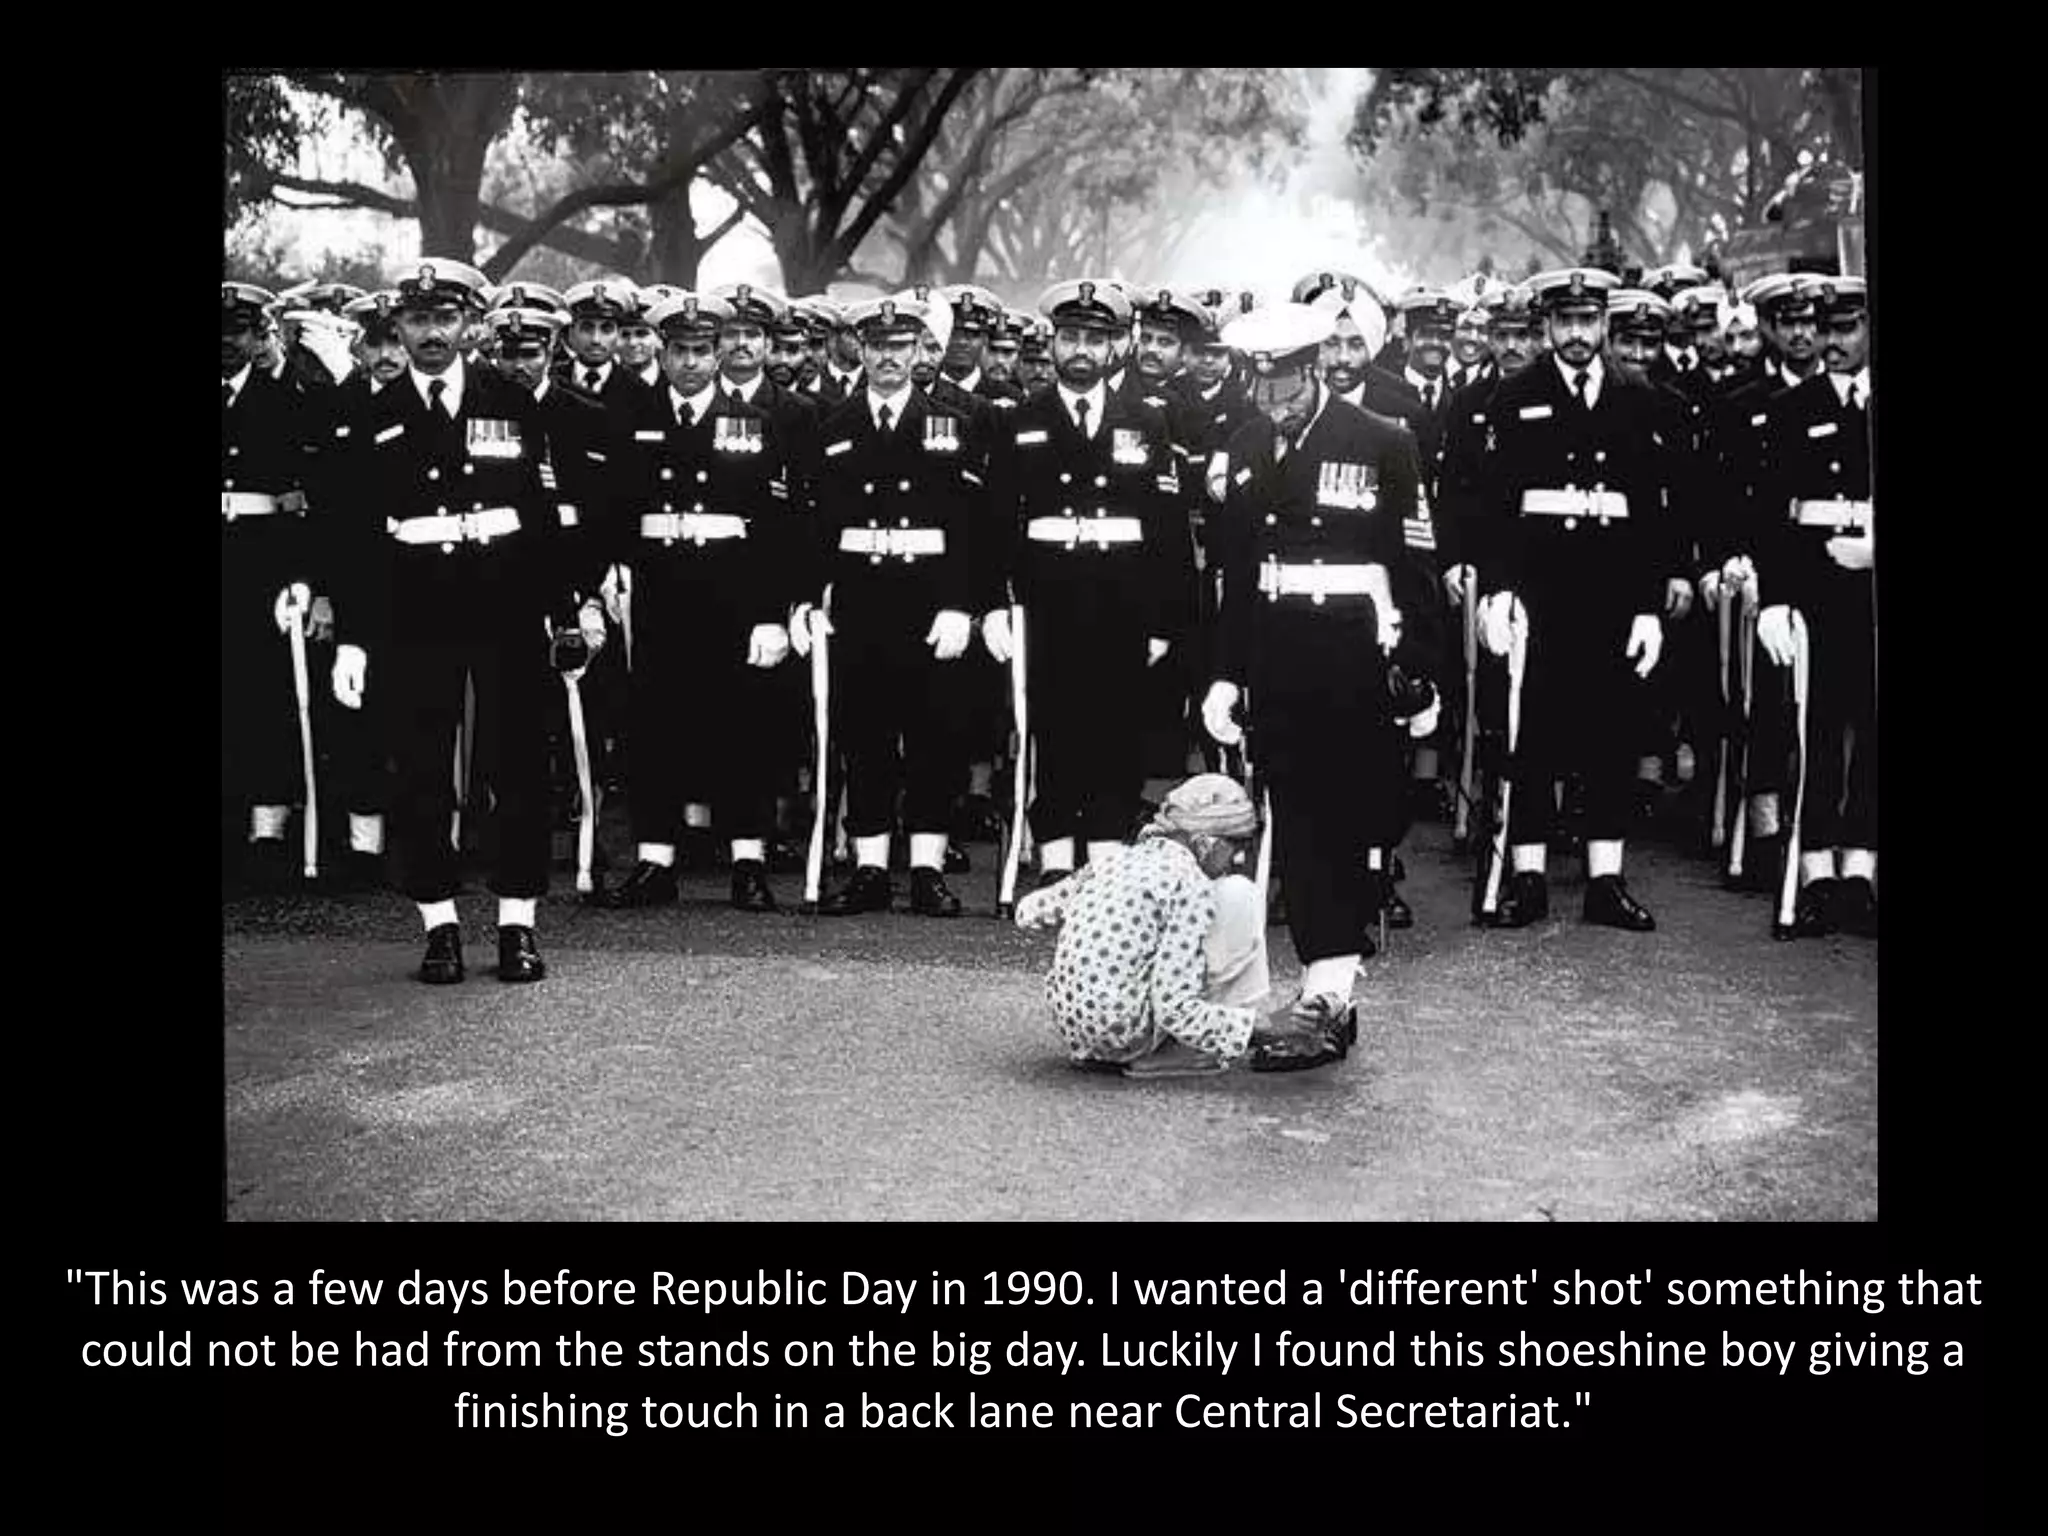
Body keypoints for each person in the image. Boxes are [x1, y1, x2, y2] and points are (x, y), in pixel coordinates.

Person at [327, 258, 605, 984]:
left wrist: (567, 611)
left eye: (445, 319)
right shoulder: (370, 413)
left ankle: (517, 923)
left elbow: (545, 518)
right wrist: (353, 636)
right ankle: (439, 924)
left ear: (469, 325)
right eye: (417, 320)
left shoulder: (510, 401)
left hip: (507, 598)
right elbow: (354, 535)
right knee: (420, 768)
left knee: (517, 763)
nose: (430, 333)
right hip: (415, 606)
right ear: (398, 327)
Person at [1201, 301, 1430, 1069]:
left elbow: (1416, 568)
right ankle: (1322, 993)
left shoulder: (1381, 443)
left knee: (1347, 823)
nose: (1273, 406)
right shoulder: (1241, 446)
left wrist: (1422, 675)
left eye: (1286, 389)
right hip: (1278, 662)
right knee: (1295, 823)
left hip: (1356, 660)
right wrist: (1226, 677)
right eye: (1260, 391)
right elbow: (1236, 576)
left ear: (1312, 369)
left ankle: (1331, 990)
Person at [1467, 267, 1679, 931]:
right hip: (1539, 588)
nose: (1578, 334)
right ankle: (1527, 878)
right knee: (1531, 729)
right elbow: (1493, 504)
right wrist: (1498, 589)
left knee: (1610, 731)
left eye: (1589, 321)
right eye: (1566, 321)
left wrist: (1648, 604)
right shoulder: (1515, 394)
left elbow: (1651, 510)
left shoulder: (1637, 394)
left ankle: (1605, 880)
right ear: (1547, 326)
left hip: (1611, 590)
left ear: (1605, 325)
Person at [598, 290, 815, 914]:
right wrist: (610, 573)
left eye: (702, 350)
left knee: (738, 725)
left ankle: (747, 860)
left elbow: (783, 524)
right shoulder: (633, 414)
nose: (692, 362)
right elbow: (614, 508)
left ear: (718, 352)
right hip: (659, 585)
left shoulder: (754, 420)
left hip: (734, 587)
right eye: (680, 351)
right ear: (662, 354)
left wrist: (777, 611)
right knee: (656, 723)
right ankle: (655, 859)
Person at [984, 279, 1194, 888]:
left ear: (1116, 348)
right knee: (1052, 723)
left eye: (1094, 340)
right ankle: (1054, 856)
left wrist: (1164, 620)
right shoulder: (1021, 420)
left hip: (1123, 599)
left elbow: (1167, 531)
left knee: (1116, 725)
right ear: (1052, 344)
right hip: (1048, 596)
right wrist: (995, 605)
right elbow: (995, 522)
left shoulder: (1147, 422)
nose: (1081, 350)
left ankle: (1105, 854)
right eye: (1070, 337)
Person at [803, 294, 980, 917]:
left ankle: (927, 868)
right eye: (877, 346)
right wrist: (808, 600)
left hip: (929, 599)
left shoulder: (951, 426)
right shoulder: (833, 427)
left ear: (918, 352)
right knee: (865, 735)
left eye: (901, 346)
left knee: (933, 734)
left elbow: (969, 526)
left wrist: (963, 606)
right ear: (860, 349)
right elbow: (814, 526)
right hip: (860, 600)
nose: (888, 358)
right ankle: (871, 866)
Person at [1753, 276, 1875, 939]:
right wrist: (1775, 601)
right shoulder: (1791, 409)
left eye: (1847, 328)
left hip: (1872, 590)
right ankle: (1816, 870)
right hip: (1816, 592)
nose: (1830, 341)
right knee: (1817, 733)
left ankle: (1863, 868)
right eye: (1823, 328)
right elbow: (1772, 516)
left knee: (1875, 733)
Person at [1014, 774, 1276, 1078]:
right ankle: (1174, 1051)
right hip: (1126, 1034)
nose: (1239, 856)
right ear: (1205, 844)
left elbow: (1027, 912)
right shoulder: (1189, 884)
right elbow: (1173, 1005)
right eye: (1237, 845)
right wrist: (1248, 1029)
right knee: (1239, 892)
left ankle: (1111, 1047)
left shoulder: (1115, 861)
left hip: (1076, 1027)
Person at [222, 282, 328, 890]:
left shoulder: (287, 398)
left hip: (264, 557)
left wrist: (301, 577)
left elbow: (305, 495)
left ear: (258, 334)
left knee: (264, 693)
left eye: (238, 331)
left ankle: (268, 825)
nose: (227, 344)